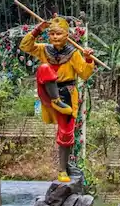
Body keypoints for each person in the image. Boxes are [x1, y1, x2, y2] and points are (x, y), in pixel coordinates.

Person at [20, 16, 95, 182]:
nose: (54, 37)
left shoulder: (74, 54)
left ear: (66, 36)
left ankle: (63, 168)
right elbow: (25, 46)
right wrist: (37, 30)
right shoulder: (44, 50)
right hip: (48, 92)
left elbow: (84, 73)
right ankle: (55, 99)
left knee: (66, 133)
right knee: (45, 67)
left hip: (67, 94)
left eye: (58, 34)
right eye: (52, 33)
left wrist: (88, 59)